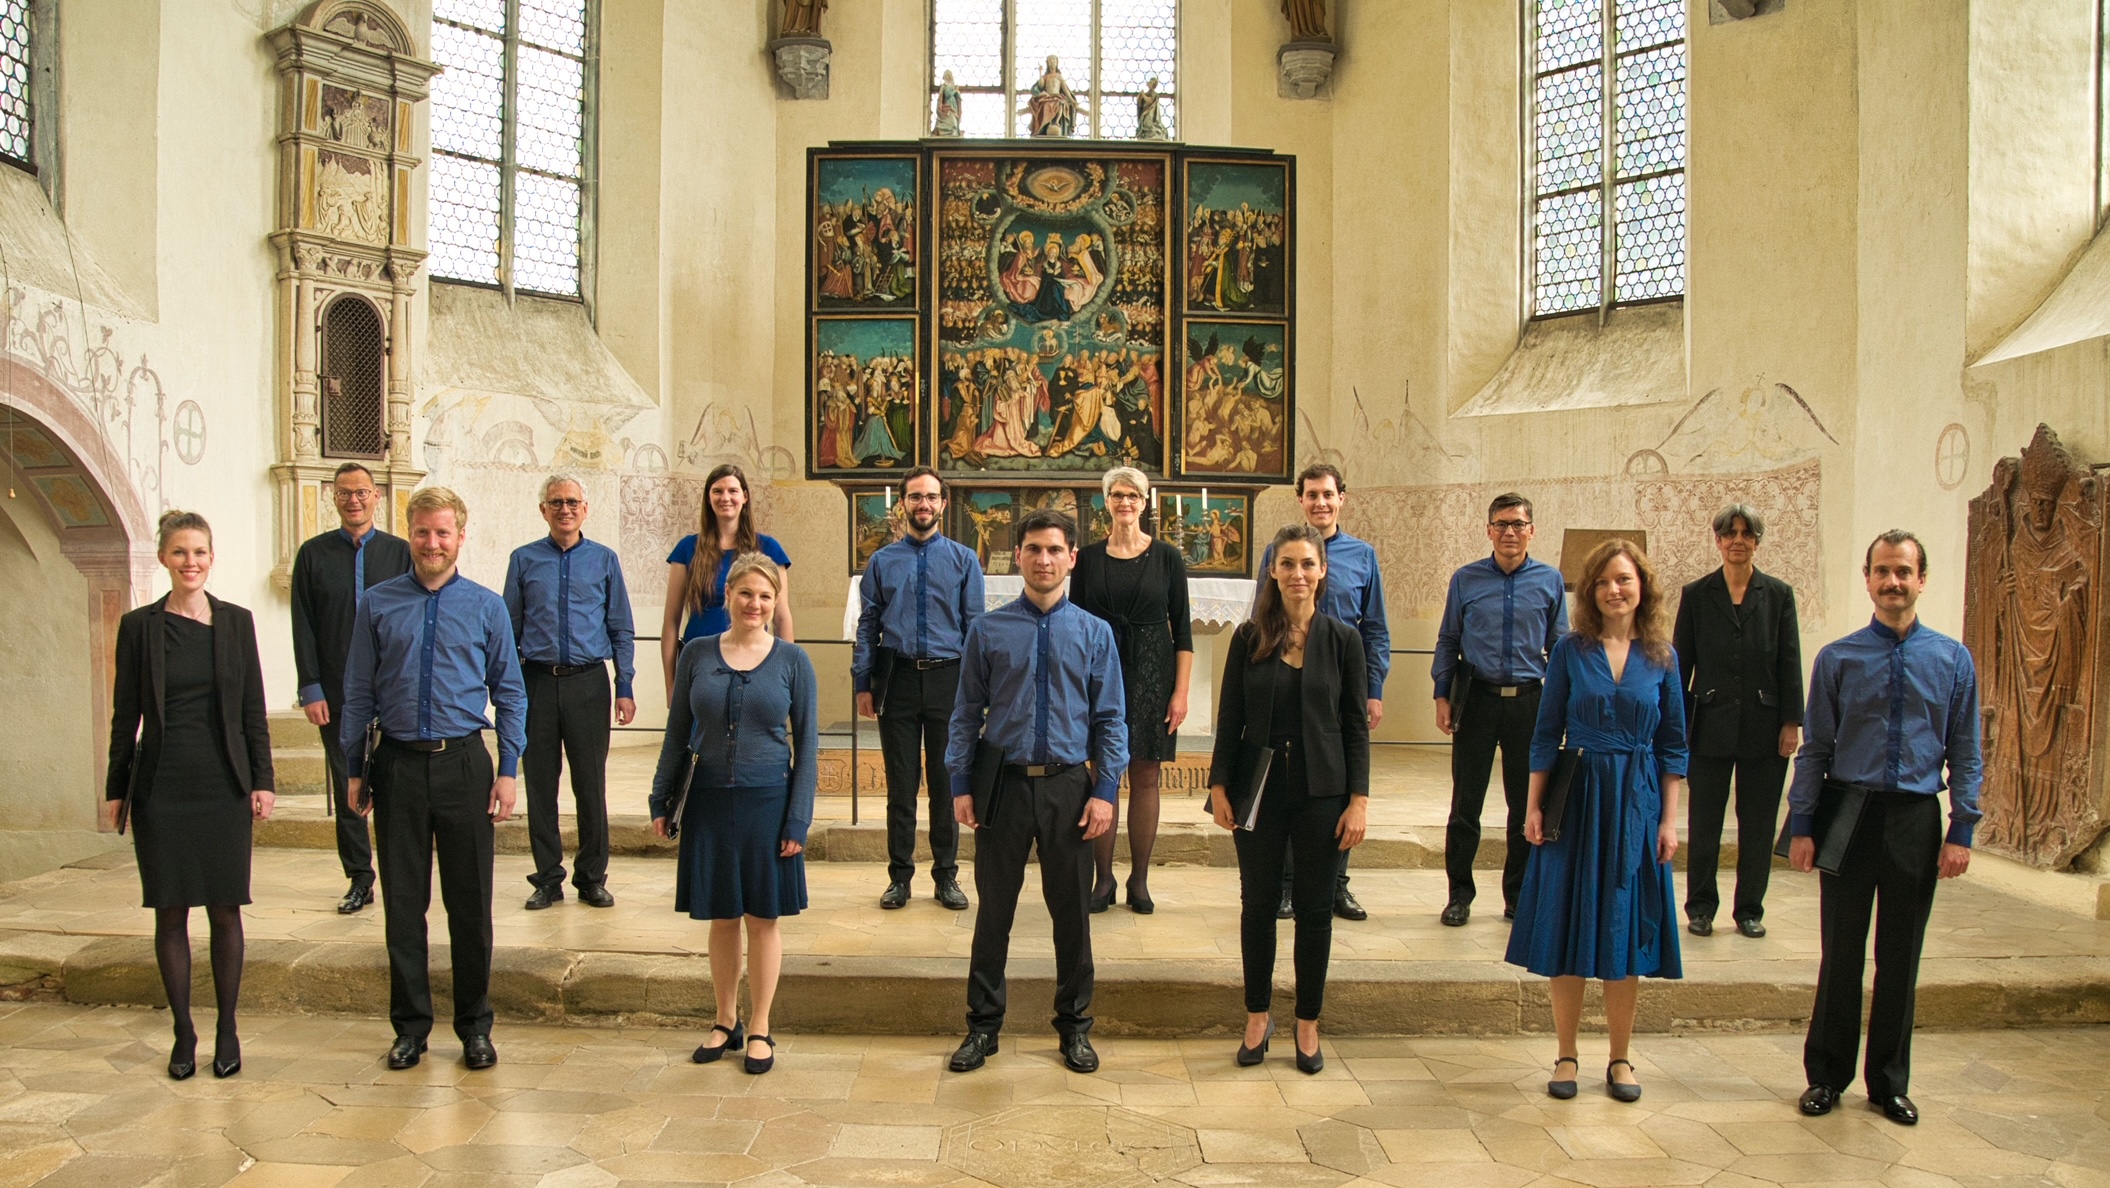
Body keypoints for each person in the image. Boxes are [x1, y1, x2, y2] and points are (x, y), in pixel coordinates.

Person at [1790, 531, 1981, 1128]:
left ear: (1922, 579)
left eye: (1904, 571)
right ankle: (1826, 1076)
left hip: (1914, 820)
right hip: (1848, 815)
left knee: (1900, 956)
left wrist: (1962, 828)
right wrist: (1802, 823)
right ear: (1867, 580)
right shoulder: (1839, 658)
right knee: (1840, 953)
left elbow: (1966, 751)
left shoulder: (1952, 660)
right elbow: (1816, 747)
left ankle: (1889, 1084)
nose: (1892, 581)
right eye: (1882, 571)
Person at [342, 487, 527, 1073]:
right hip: (396, 764)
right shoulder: (376, 604)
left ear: (460, 537)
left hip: (465, 764)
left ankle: (475, 1027)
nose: (432, 543)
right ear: (409, 534)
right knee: (403, 904)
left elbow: (511, 693)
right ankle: (411, 1028)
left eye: (443, 532)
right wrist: (353, 767)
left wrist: (507, 769)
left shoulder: (487, 606)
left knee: (470, 905)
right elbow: (358, 691)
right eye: (422, 532)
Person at [945, 508, 1127, 1076]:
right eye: (1032, 549)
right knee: (993, 912)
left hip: (1070, 789)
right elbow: (965, 714)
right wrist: (960, 785)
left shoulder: (1095, 633)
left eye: (1054, 550)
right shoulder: (988, 629)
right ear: (1017, 557)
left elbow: (1112, 720)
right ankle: (982, 1028)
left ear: (1072, 557)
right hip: (1001, 784)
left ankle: (1074, 1027)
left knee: (1071, 914)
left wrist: (1105, 791)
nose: (1043, 559)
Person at [1509, 538, 1686, 1104]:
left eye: (1625, 580)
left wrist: (1669, 821)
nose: (1615, 589)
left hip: (1635, 802)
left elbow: (1674, 746)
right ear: (1590, 591)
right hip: (1577, 797)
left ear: (1642, 589)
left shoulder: (1662, 657)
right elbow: (1545, 733)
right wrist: (1533, 806)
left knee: (1622, 927)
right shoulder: (1570, 650)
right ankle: (1565, 1052)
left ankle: (1620, 1058)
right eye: (1605, 580)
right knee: (1567, 926)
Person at [105, 511, 276, 1081]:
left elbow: (253, 708)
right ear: (163, 559)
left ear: (211, 556)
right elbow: (124, 715)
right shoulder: (139, 627)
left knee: (225, 910)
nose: (191, 562)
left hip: (222, 784)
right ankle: (184, 1030)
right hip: (161, 786)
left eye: (199, 552)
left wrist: (263, 779)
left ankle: (227, 1027)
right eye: (180, 552)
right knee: (170, 911)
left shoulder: (236, 622)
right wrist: (116, 789)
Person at [1207, 523, 1369, 1074]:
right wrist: (1219, 786)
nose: (1297, 574)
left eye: (1307, 564)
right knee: (1257, 906)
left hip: (1324, 791)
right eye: (1286, 564)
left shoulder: (1343, 640)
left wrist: (1359, 800)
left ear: (1323, 571)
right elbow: (1230, 717)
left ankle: (1307, 1022)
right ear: (1272, 573)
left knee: (1315, 910)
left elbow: (1354, 728)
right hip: (1259, 788)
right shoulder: (1249, 637)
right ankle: (1257, 1016)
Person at [651, 555, 819, 1076]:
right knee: (723, 917)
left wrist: (798, 820)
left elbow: (808, 747)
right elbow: (678, 732)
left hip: (768, 802)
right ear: (728, 596)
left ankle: (761, 1025)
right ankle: (725, 1020)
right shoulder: (698, 653)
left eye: (766, 596)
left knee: (763, 920)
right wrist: (661, 797)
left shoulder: (793, 661)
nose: (756, 604)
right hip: (707, 800)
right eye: (746, 593)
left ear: (776, 603)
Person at [1252, 463, 1388, 921]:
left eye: (1328, 494)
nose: (1320, 503)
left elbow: (1375, 629)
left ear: (1341, 499)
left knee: (1338, 784)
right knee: (1291, 786)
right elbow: (1261, 618)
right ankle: (1288, 885)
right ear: (1301, 500)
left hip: (1339, 687)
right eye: (1312, 495)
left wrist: (1373, 689)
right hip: (1289, 685)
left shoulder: (1363, 555)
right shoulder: (1278, 550)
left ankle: (1337, 884)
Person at [1431, 492, 1568, 927]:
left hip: (1529, 704)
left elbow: (1560, 647)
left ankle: (1518, 895)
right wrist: (1442, 696)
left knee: (1524, 805)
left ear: (1532, 530)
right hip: (1476, 699)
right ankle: (1459, 895)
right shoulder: (1465, 580)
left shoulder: (1550, 581)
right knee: (1465, 804)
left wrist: (1563, 706)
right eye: (1501, 524)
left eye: (1518, 524)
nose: (1510, 532)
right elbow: (1449, 640)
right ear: (1489, 530)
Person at [503, 475, 638, 912]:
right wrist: (507, 691)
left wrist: (626, 686)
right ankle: (547, 878)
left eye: (573, 502)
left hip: (588, 683)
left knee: (590, 784)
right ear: (543, 509)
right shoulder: (523, 560)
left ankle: (591, 877)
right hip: (536, 682)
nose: (565, 509)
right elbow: (509, 629)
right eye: (556, 502)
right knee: (541, 786)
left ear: (586, 508)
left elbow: (620, 626)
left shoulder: (604, 560)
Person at [854, 468, 983, 912]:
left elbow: (974, 631)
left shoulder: (965, 561)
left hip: (950, 680)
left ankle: (946, 876)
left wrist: (978, 693)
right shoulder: (882, 562)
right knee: (901, 786)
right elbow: (868, 624)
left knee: (947, 784)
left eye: (931, 497)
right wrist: (863, 684)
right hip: (899, 678)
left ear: (943, 505)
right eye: (915, 497)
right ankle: (899, 877)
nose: (923, 505)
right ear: (903, 504)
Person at [1672, 503, 1803, 939]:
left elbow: (1790, 662)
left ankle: (1749, 909)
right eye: (1730, 533)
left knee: (1759, 821)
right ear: (1718, 540)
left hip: (1764, 727)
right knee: (1705, 822)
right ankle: (1701, 907)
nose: (1738, 541)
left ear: (1757, 542)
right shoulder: (1696, 594)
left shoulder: (1779, 595)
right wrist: (1676, 726)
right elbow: (1680, 665)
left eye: (1747, 533)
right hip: (1708, 723)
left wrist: (1792, 722)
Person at [1071, 467, 1193, 914]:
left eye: (1134, 495)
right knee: (1104, 772)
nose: (1125, 502)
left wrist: (1179, 693)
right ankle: (1102, 880)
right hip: (1099, 676)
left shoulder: (1167, 557)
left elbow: (1183, 632)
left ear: (1146, 502)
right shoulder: (1085, 558)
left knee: (1145, 777)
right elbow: (1074, 627)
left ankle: (1138, 880)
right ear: (1107, 501)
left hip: (1152, 676)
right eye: (1117, 495)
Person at [290, 462, 411, 914]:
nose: (354, 499)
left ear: (376, 496)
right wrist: (310, 687)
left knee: (396, 788)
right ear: (333, 498)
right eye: (344, 493)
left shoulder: (400, 553)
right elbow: (302, 624)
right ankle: (360, 878)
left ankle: (401, 875)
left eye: (362, 491)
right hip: (337, 694)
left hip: (394, 691)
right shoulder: (313, 555)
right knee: (348, 787)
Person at [662, 463, 794, 693]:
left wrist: (787, 678)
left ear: (744, 497)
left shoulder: (769, 548)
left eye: (732, 491)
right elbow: (671, 621)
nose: (725, 497)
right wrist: (670, 685)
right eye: (717, 491)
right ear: (708, 498)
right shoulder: (687, 549)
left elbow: (781, 617)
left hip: (753, 660)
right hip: (699, 662)